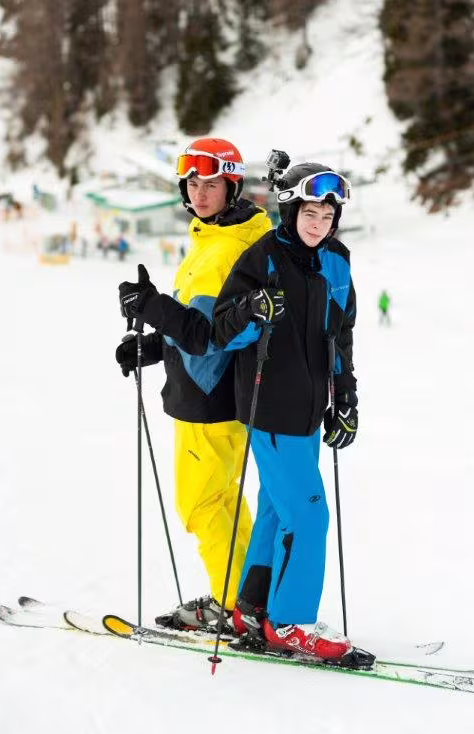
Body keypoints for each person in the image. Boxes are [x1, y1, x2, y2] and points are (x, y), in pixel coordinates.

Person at [115, 138, 272, 630]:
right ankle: (246, 598)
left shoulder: (225, 249)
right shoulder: (220, 238)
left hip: (207, 400)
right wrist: (154, 347)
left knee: (202, 504)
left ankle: (232, 609)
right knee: (223, 501)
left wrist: (151, 307)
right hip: (216, 393)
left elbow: (205, 338)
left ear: (232, 186)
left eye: (211, 184)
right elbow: (204, 327)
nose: (199, 193)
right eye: (192, 183)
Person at [211, 163, 358, 661]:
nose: (319, 223)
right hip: (270, 407)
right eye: (310, 212)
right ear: (291, 210)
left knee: (278, 509)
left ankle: (252, 606)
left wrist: (346, 398)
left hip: (312, 409)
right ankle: (290, 622)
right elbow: (221, 328)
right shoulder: (263, 258)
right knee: (309, 516)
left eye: (328, 214)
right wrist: (253, 308)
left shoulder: (337, 262)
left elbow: (340, 336)